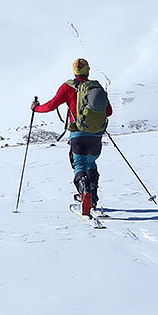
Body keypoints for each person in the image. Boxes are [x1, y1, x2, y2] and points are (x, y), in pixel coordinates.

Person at [33, 58, 112, 217]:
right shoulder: (96, 88)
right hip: (96, 135)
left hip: (78, 134)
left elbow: (51, 106)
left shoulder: (68, 87)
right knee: (91, 163)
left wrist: (36, 108)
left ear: (74, 71)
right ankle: (93, 197)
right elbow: (108, 111)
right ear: (88, 70)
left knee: (79, 165)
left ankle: (85, 194)